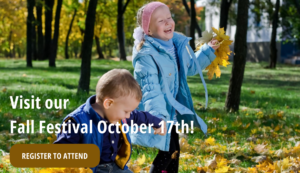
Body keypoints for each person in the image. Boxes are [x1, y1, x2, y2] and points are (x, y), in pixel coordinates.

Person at [131, 1, 220, 172]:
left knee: (173, 151)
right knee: (168, 151)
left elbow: (190, 67)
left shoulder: (176, 45)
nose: (167, 22)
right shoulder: (146, 55)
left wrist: (208, 50)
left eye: (169, 17)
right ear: (148, 30)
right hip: (158, 112)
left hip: (170, 110)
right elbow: (150, 91)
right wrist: (157, 118)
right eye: (160, 21)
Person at [53, 69, 167, 173]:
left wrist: (157, 122)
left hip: (114, 168)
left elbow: (137, 116)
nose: (128, 116)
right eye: (126, 111)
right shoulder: (77, 122)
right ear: (108, 103)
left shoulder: (117, 113)